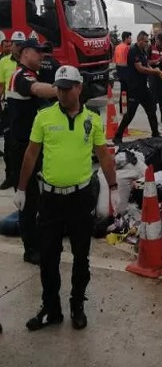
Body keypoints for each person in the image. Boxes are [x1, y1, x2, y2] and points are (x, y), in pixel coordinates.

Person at [14, 65, 119, 331]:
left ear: (78, 88)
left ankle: (77, 305)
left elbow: (104, 156)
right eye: (58, 88)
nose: (61, 93)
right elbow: (31, 154)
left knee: (81, 257)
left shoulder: (92, 120)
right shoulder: (44, 117)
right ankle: (51, 309)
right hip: (50, 200)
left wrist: (114, 188)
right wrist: (22, 188)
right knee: (48, 257)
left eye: (67, 88)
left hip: (80, 199)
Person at [6, 39, 57, 265]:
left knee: (38, 196)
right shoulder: (22, 76)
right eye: (38, 53)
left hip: (30, 145)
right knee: (27, 197)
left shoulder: (30, 73)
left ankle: (38, 237)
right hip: (20, 147)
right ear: (25, 53)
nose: (42, 57)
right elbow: (37, 90)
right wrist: (64, 88)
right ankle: (30, 249)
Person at [113, 31, 162, 144]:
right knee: (129, 115)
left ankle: (155, 133)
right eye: (145, 41)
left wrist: (156, 70)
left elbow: (146, 64)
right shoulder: (133, 51)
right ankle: (117, 137)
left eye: (147, 41)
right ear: (139, 40)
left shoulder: (143, 51)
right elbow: (140, 68)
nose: (147, 43)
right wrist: (155, 73)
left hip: (143, 87)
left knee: (151, 109)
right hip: (134, 88)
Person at [0, 32, 27, 190]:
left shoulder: (28, 61)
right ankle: (10, 175)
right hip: (8, 107)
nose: (17, 47)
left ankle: (21, 175)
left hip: (24, 107)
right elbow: (1, 85)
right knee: (9, 144)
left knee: (23, 143)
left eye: (20, 44)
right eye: (15, 44)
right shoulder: (3, 62)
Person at [148, 33, 162, 123]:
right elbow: (147, 62)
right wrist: (157, 61)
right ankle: (153, 116)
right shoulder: (150, 48)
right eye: (160, 41)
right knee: (153, 97)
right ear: (156, 40)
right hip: (153, 74)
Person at [114, 31, 132, 114]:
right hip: (126, 71)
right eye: (129, 38)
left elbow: (115, 59)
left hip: (119, 70)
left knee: (122, 90)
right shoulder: (127, 48)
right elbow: (130, 60)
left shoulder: (117, 47)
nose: (131, 39)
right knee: (127, 91)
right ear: (126, 38)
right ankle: (126, 108)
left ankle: (122, 108)